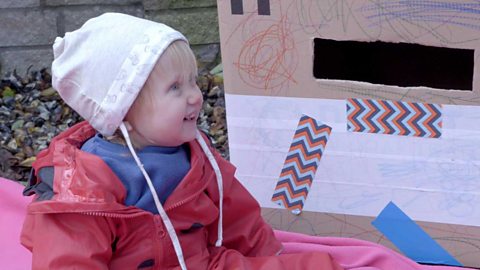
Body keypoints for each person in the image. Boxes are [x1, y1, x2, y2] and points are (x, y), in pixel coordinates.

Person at [20, 13, 342, 270]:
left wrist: (271, 255)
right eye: (176, 87)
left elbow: (238, 217)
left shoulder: (197, 157)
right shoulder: (82, 188)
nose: (195, 96)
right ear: (124, 110)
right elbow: (68, 259)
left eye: (193, 81)